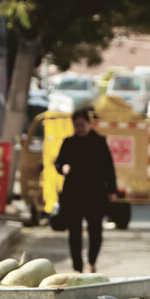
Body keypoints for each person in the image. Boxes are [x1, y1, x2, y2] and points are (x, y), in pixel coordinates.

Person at [54, 110, 118, 273]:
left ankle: (92, 261)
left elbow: (109, 168)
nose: (79, 128)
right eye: (76, 125)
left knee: (95, 231)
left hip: (95, 194)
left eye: (82, 125)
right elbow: (58, 163)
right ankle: (77, 267)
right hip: (73, 194)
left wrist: (112, 190)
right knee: (74, 232)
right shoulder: (69, 142)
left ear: (89, 124)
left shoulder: (99, 142)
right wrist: (63, 168)